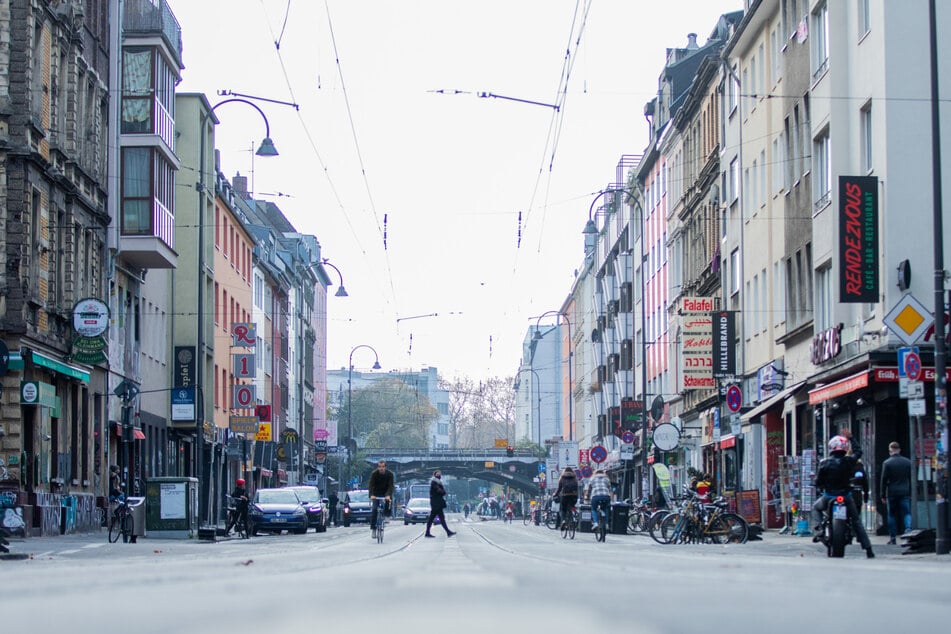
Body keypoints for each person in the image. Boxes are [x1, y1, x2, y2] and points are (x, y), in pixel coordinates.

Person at [812, 435, 874, 558]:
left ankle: (818, 529)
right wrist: (852, 438)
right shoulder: (849, 461)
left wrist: (818, 484)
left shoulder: (824, 463)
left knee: (816, 507)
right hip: (846, 496)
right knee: (856, 521)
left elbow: (818, 481)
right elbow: (859, 452)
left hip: (829, 496)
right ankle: (868, 549)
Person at [881, 441, 913, 545]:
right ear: (899, 450)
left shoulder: (887, 463)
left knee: (891, 514)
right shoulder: (907, 462)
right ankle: (908, 532)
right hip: (905, 491)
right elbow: (911, 478)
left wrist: (882, 495)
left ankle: (893, 537)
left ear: (890, 451)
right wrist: (911, 492)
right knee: (907, 513)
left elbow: (884, 480)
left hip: (892, 492)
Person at [367, 460, 394, 539]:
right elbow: (371, 485)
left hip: (385, 492)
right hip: (376, 494)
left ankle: (387, 515)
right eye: (379, 467)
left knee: (388, 502)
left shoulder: (390, 474)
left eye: (383, 467)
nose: (381, 468)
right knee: (374, 509)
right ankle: (373, 529)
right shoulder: (374, 474)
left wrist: (388, 495)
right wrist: (371, 495)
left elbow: (391, 486)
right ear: (377, 467)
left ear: (385, 467)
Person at [425, 470, 456, 538]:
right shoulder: (434, 482)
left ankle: (447, 532)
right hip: (436, 504)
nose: (439, 475)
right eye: (438, 474)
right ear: (435, 475)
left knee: (436, 519)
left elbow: (441, 491)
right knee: (437, 519)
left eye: (440, 474)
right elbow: (440, 491)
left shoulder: (438, 482)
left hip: (437, 504)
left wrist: (442, 491)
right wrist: (442, 491)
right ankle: (447, 532)